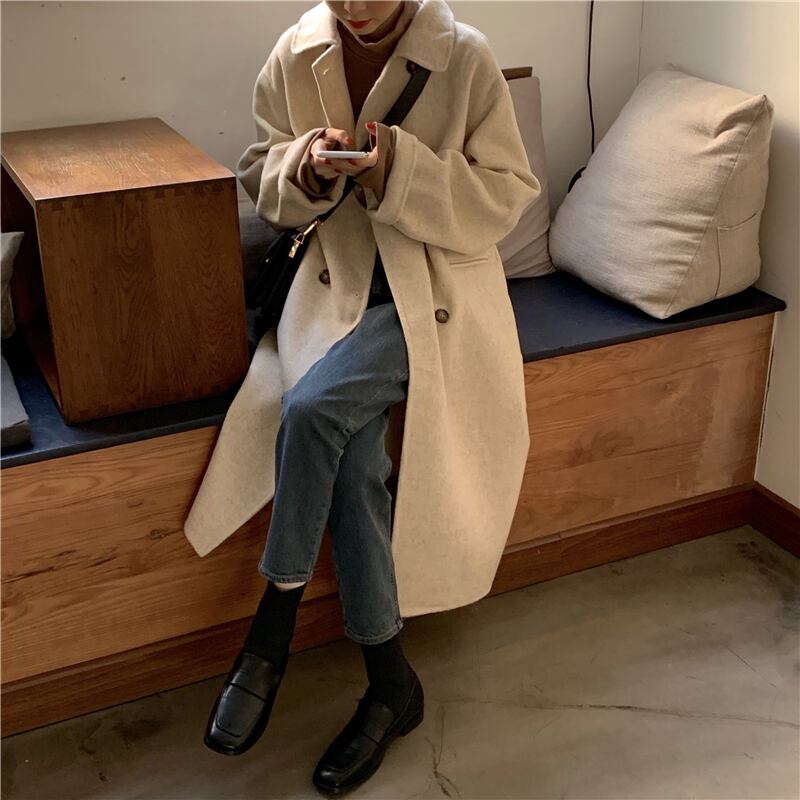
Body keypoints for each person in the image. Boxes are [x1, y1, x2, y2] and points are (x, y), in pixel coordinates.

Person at [203, 0, 540, 794]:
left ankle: (271, 630)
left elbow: (507, 195)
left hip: (438, 297)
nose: (352, 7)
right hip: (336, 290)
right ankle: (391, 684)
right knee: (352, 461)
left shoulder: (464, 56)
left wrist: (398, 169)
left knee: (313, 408)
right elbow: (259, 171)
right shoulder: (296, 51)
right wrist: (306, 167)